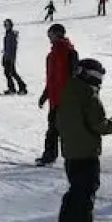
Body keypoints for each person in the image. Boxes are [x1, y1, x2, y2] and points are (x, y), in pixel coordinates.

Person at [54, 56, 112, 222]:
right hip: (86, 152)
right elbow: (98, 124)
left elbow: (58, 121)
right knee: (86, 192)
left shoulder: (69, 91)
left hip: (71, 151)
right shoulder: (89, 95)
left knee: (74, 190)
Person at [36, 24, 78, 166]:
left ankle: (73, 156)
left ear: (58, 34)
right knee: (54, 128)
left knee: (62, 129)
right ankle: (51, 155)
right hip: (55, 97)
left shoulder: (69, 52)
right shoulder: (52, 54)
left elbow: (74, 75)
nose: (49, 36)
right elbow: (52, 78)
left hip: (65, 98)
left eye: (50, 34)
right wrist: (45, 94)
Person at [1, 19, 28, 95]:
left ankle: (20, 87)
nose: (6, 26)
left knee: (10, 72)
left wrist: (11, 58)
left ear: (11, 25)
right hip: (7, 56)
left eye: (7, 25)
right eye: (5, 25)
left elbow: (13, 47)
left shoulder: (12, 35)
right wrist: (4, 56)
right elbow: (7, 47)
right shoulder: (7, 34)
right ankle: (14, 88)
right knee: (10, 72)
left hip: (10, 57)